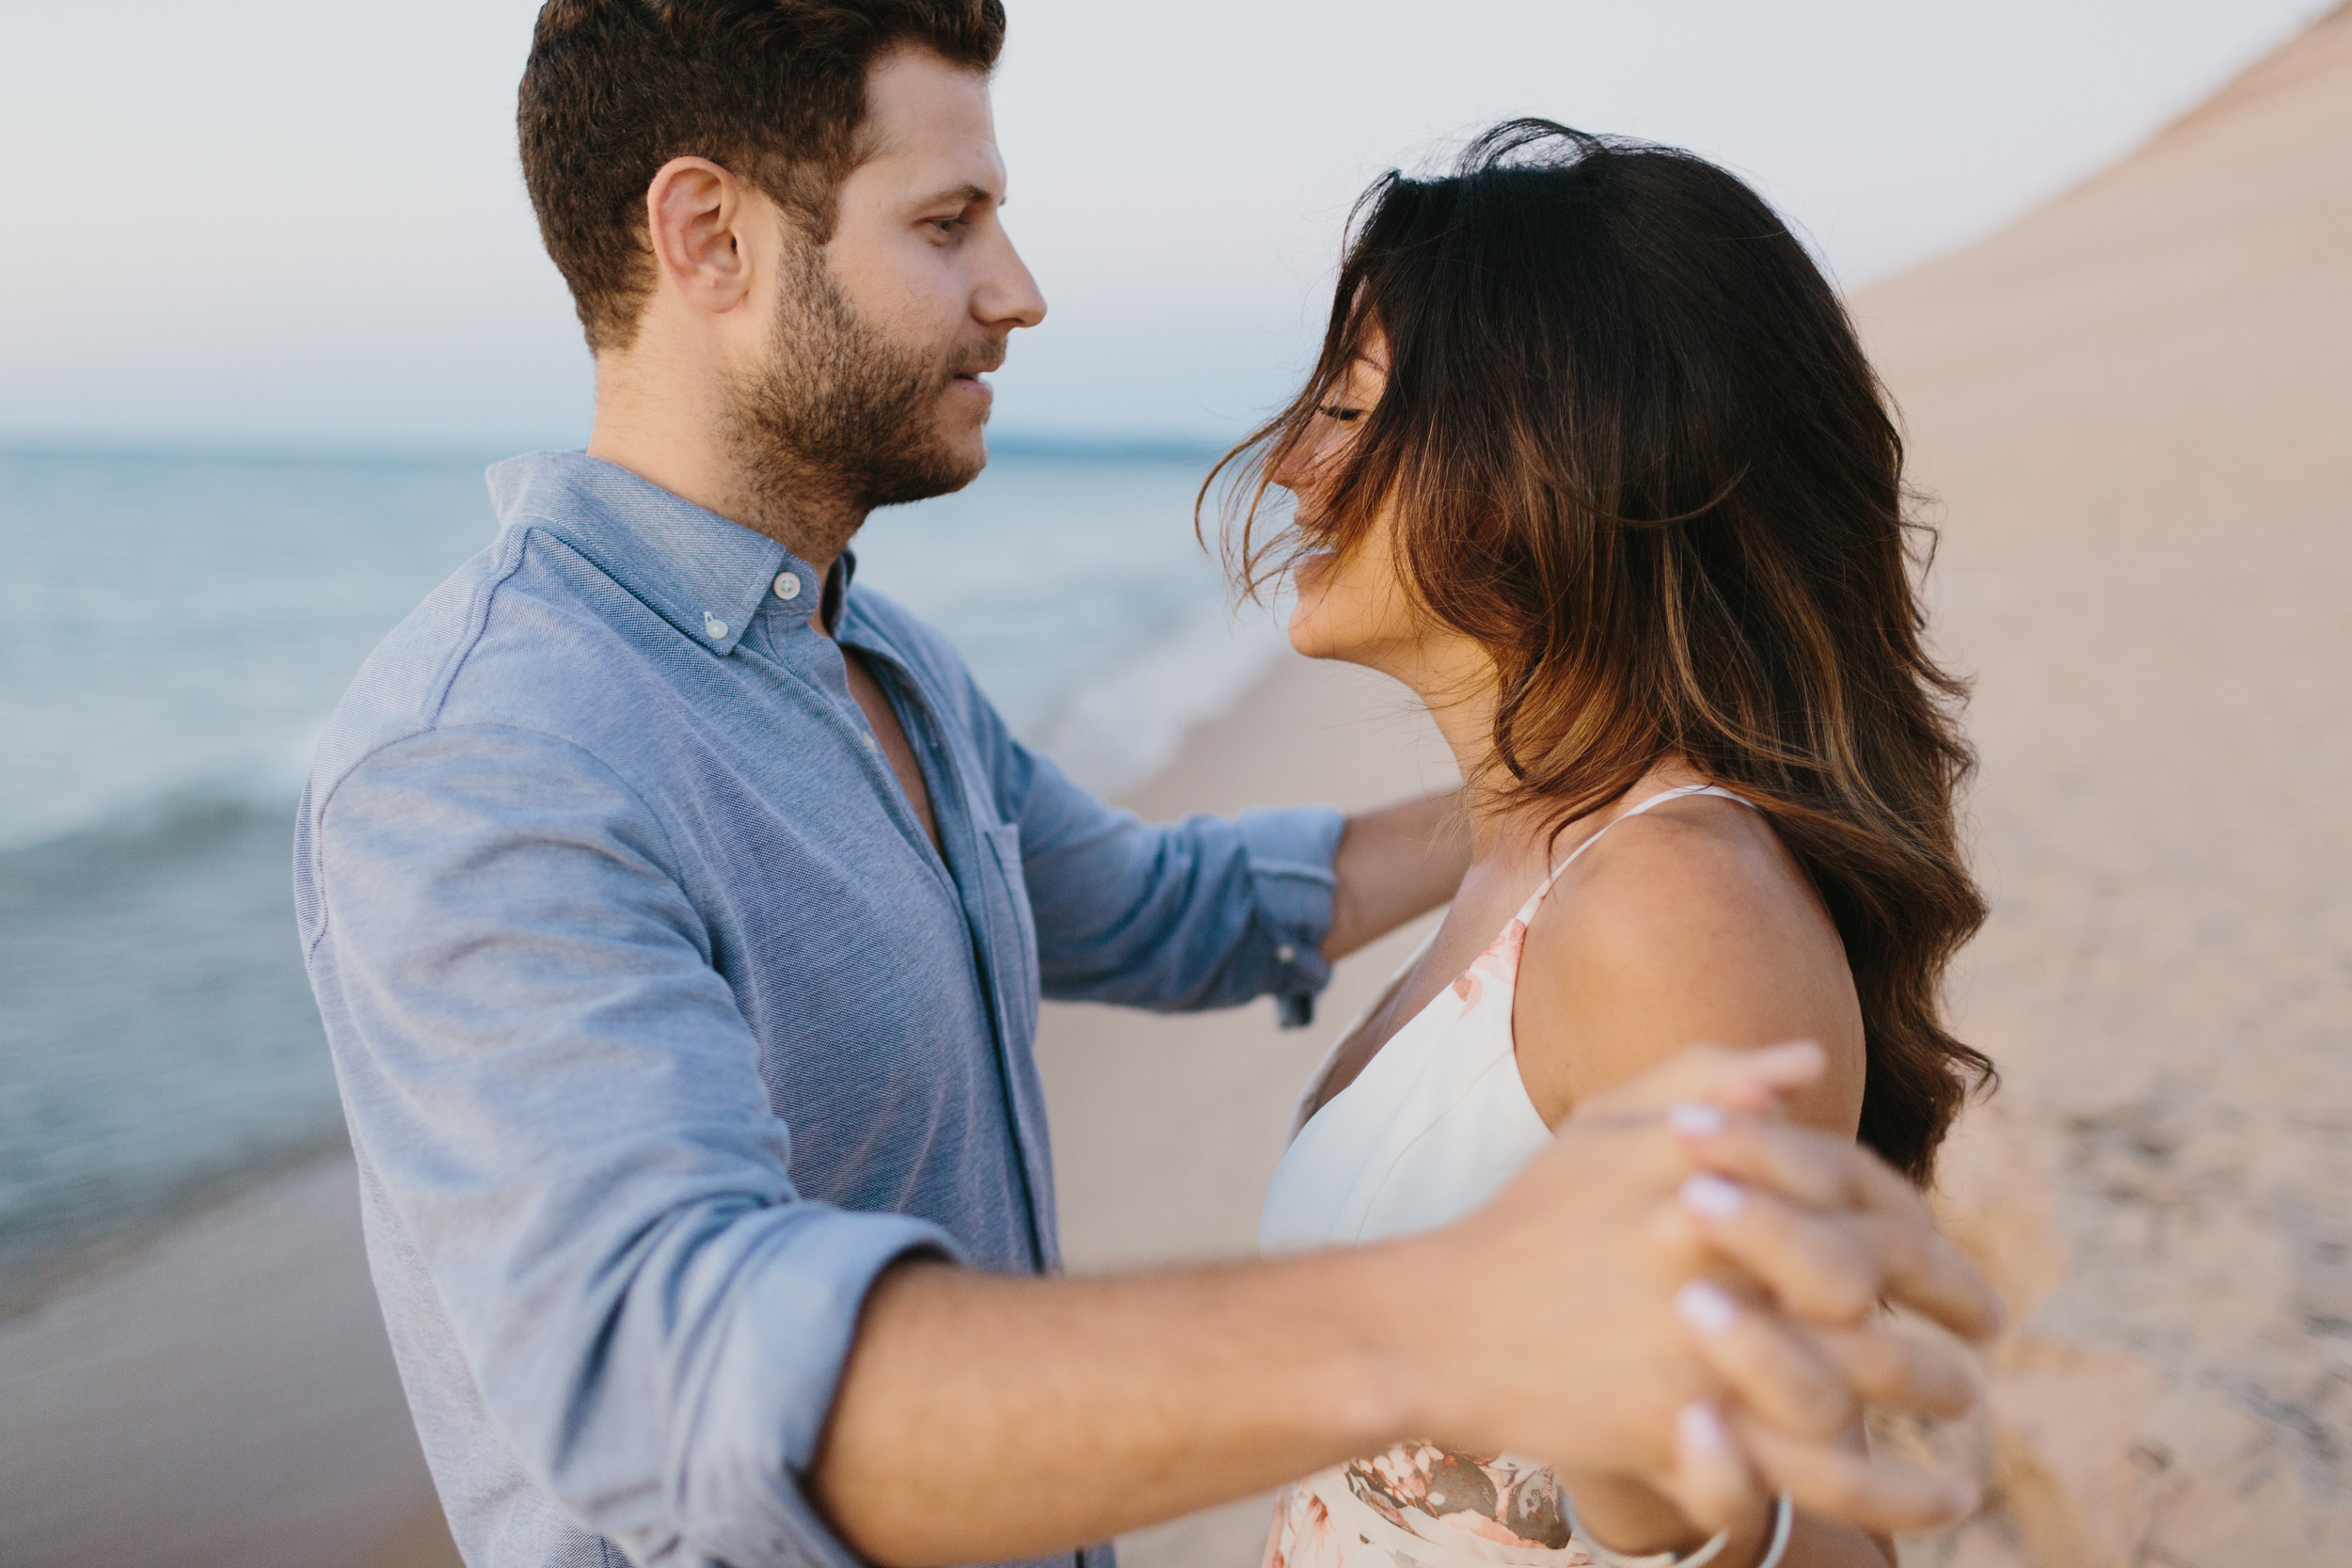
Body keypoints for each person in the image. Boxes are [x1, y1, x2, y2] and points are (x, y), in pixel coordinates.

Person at [295, 7, 2001, 1567]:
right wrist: (1442, 1318)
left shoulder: (879, 665)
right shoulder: (491, 751)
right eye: (948, 223)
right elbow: (666, 1377)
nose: (1020, 289)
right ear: (709, 237)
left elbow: (1163, 909)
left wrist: (1573, 794)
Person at [1229, 123, 1995, 1568]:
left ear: (1550, 457)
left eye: (1352, 407)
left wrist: (1643, 1485)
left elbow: (1823, 1524)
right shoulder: (1537, 855)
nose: (1289, 466)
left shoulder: (1667, 908)